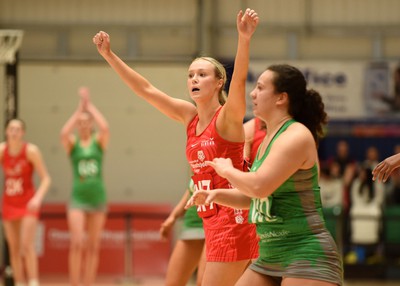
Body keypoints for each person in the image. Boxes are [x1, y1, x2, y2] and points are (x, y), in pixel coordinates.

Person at [93, 8, 259, 286]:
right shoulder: (189, 116)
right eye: (191, 74)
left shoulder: (228, 118)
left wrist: (244, 38)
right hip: (209, 218)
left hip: (235, 219)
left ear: (219, 82)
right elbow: (146, 90)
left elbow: (240, 81)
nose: (194, 79)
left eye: (202, 74)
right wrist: (109, 55)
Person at [187, 64, 343, 285]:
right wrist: (215, 195)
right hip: (270, 255)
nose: (253, 93)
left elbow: (259, 186)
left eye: (260, 88)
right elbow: (255, 199)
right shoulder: (267, 140)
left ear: (281, 98)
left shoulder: (296, 135)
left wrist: (227, 170)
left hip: (304, 252)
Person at [60, 87, 110, 286]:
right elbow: (64, 132)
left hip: (98, 197)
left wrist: (90, 107)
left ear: (91, 124)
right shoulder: (73, 144)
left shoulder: (99, 142)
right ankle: (74, 282)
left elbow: (105, 128)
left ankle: (88, 282)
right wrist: (78, 110)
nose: (82, 125)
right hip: (78, 199)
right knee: (77, 243)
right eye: (79, 123)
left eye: (85, 121)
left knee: (93, 246)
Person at [0, 118, 51, 286]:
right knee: (13, 248)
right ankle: (19, 282)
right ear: (6, 132)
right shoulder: (2, 150)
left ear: (23, 133)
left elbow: (46, 179)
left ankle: (33, 281)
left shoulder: (31, 151)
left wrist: (37, 198)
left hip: (28, 203)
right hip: (9, 203)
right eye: (11, 129)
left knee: (26, 245)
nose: (14, 132)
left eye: (17, 129)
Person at [160, 178, 205, 286]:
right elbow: (192, 187)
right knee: (173, 283)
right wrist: (173, 216)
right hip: (193, 222)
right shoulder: (194, 161)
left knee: (204, 282)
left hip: (219, 223)